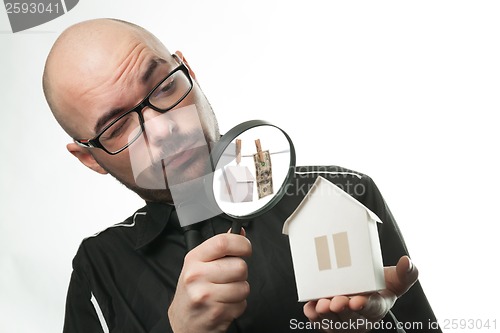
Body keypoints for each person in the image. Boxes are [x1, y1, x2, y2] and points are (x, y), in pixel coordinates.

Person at [42, 18, 441, 333]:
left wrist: (371, 330)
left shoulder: (342, 197)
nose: (165, 130)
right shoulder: (98, 269)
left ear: (189, 71)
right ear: (89, 158)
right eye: (117, 128)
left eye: (163, 86)